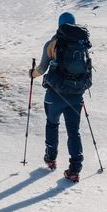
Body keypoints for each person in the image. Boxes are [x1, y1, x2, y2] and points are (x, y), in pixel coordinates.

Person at [29, 11, 93, 182]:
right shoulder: (83, 45)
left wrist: (32, 74)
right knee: (74, 131)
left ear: (59, 25)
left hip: (54, 94)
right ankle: (75, 170)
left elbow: (42, 69)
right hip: (76, 95)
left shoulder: (52, 44)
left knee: (52, 124)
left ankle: (50, 159)